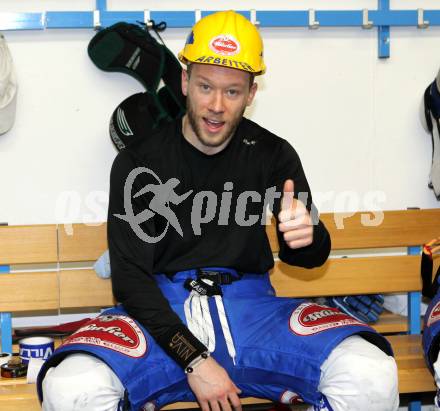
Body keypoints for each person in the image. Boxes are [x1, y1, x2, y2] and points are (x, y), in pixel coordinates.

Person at [37, 10, 399, 411]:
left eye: (232, 92)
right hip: (162, 316)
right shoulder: (139, 162)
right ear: (185, 81)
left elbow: (309, 258)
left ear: (251, 94)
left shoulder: (273, 153)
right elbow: (131, 281)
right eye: (205, 86)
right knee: (70, 386)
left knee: (371, 373)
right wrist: (193, 358)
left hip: (254, 313)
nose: (215, 105)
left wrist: (309, 235)